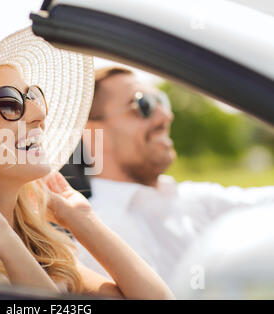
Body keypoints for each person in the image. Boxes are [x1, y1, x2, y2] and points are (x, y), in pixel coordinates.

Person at [0, 28, 173, 299]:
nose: (39, 113)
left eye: (33, 95)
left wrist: (82, 219)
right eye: (10, 101)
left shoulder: (44, 251)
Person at [77, 66, 274, 286]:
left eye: (161, 101)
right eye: (144, 105)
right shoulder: (91, 235)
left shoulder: (195, 199)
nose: (166, 116)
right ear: (92, 133)